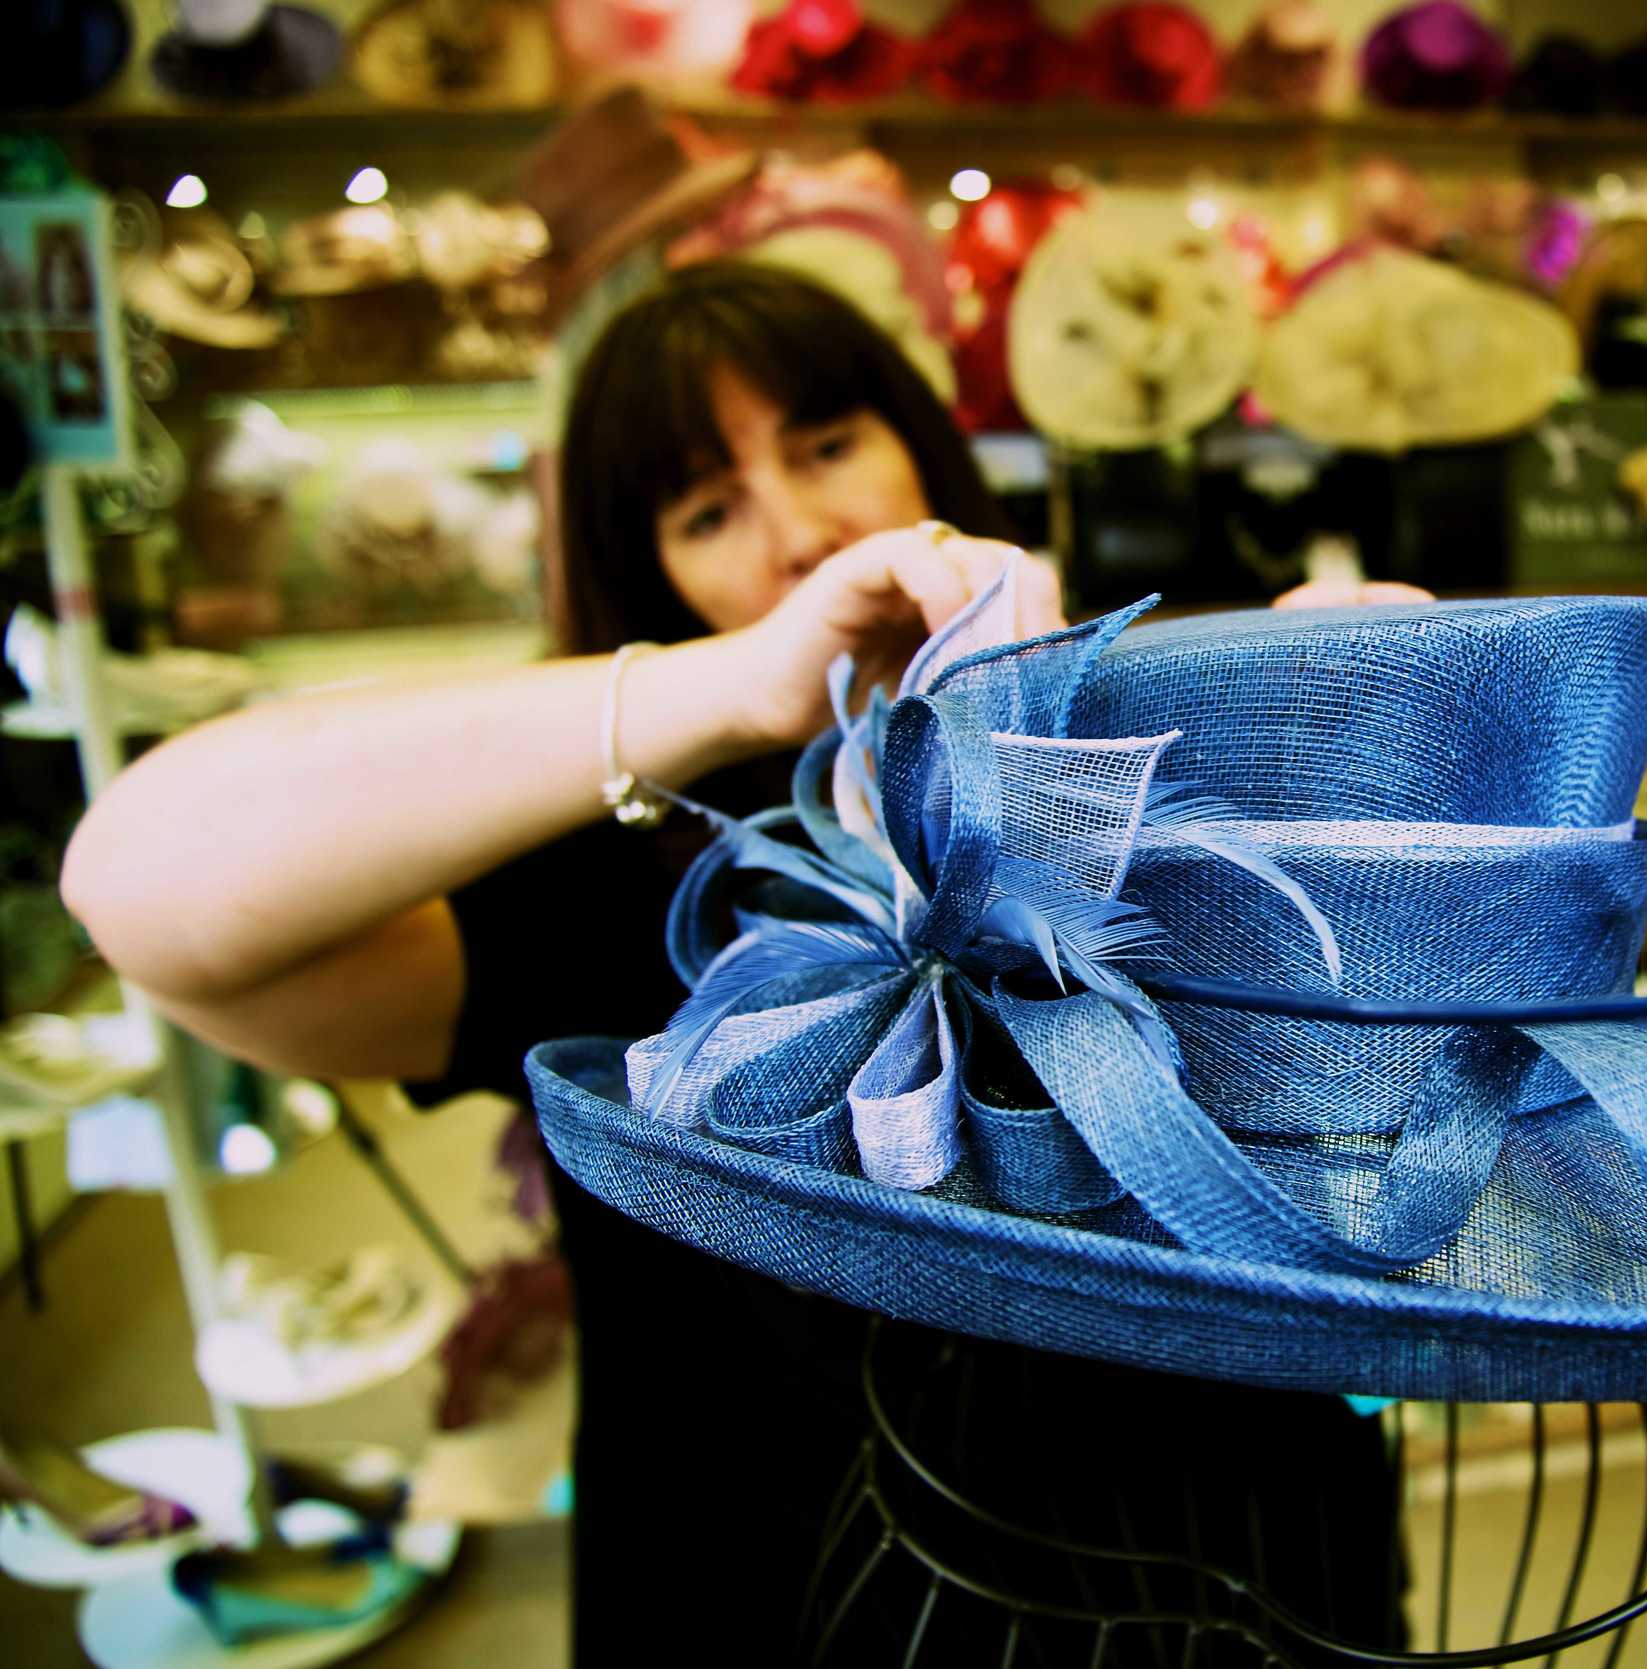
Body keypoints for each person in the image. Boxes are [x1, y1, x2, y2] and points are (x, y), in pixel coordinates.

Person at [63, 263, 1411, 1663]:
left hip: (1237, 1575)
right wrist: (742, 681)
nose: (801, 529)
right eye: (709, 510)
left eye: (829, 445)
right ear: (647, 569)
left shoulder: (1168, 729)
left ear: (919, 442)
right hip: (789, 1594)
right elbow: (138, 889)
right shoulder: (615, 883)